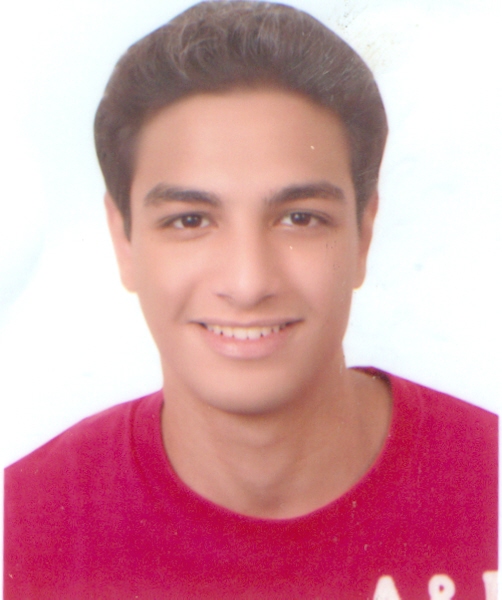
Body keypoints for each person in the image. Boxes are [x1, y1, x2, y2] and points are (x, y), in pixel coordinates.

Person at [4, 1, 497, 598]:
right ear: (124, 239)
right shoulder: (21, 531)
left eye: (299, 218)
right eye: (190, 220)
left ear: (363, 233)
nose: (247, 282)